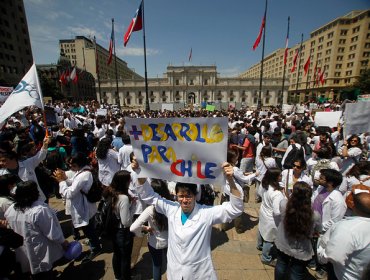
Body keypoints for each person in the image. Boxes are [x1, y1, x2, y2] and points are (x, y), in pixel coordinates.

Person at [135, 163, 243, 279]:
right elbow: (149, 195)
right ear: (176, 196)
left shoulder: (206, 213)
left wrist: (231, 180)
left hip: (198, 273)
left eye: (188, 196)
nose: (185, 200)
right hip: (175, 271)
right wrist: (141, 171)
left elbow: (235, 209)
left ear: (195, 196)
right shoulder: (171, 209)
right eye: (181, 196)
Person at [5, 181, 69, 279]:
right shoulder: (39, 210)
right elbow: (51, 232)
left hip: (23, 249)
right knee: (44, 271)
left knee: (33, 270)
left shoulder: (11, 209)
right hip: (39, 249)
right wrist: (63, 242)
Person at [53, 152, 102, 262]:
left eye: (73, 165)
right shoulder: (83, 171)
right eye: (70, 165)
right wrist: (65, 178)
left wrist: (61, 182)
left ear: (79, 164)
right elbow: (75, 184)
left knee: (89, 229)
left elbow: (69, 193)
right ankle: (94, 242)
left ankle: (96, 248)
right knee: (89, 228)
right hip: (86, 206)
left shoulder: (83, 175)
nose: (70, 167)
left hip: (84, 207)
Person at [317, 188, 370, 280]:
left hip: (343, 276)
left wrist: (321, 253)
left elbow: (332, 257)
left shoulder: (347, 228)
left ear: (352, 204)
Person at [130, 179, 172, 280]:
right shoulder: (171, 205)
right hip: (170, 242)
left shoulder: (150, 210)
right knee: (170, 264)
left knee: (157, 266)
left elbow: (133, 228)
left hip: (155, 243)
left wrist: (145, 229)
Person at [275, 182, 314, 280]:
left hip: (284, 241)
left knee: (281, 265)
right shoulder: (314, 215)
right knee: (296, 273)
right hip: (301, 248)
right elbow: (318, 229)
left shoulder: (284, 204)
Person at [104, 170, 134, 280]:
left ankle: (117, 276)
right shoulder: (124, 198)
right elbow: (126, 222)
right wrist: (133, 207)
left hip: (113, 229)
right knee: (125, 257)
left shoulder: (110, 191)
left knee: (117, 254)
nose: (131, 181)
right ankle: (125, 277)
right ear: (124, 182)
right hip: (123, 232)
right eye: (129, 179)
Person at [0, 136, 50, 202]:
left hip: (39, 199)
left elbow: (40, 155)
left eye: (4, 160)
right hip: (20, 204)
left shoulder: (27, 163)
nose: (1, 163)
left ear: (12, 158)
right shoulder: (2, 174)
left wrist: (45, 144)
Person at [257, 168, 285, 266]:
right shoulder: (277, 194)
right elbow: (277, 212)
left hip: (264, 212)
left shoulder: (264, 184)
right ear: (275, 177)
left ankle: (259, 245)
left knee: (262, 230)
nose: (281, 177)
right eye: (280, 175)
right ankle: (266, 258)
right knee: (269, 238)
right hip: (271, 219)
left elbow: (259, 194)